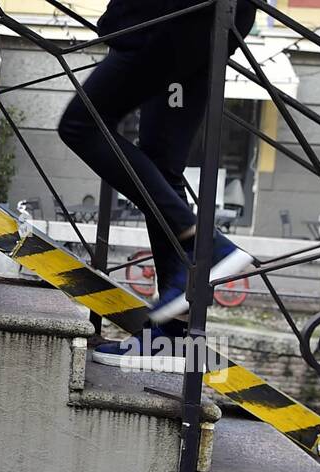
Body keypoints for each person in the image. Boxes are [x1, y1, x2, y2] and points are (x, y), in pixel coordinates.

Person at [57, 0, 257, 361]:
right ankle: (174, 335)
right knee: (161, 164)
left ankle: (204, 242)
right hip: (213, 22)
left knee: (80, 126)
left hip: (166, 17)